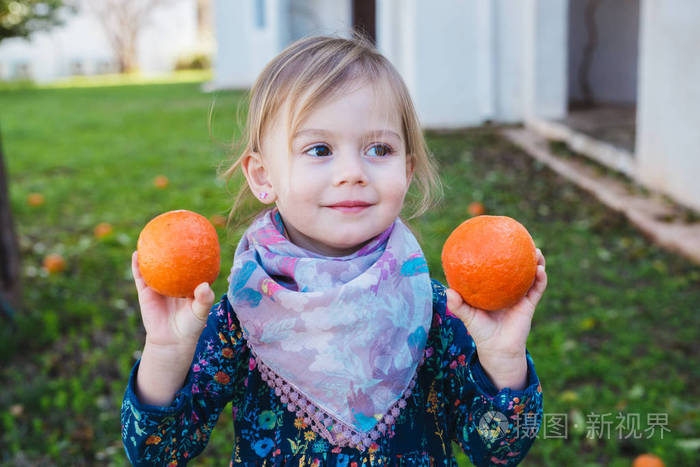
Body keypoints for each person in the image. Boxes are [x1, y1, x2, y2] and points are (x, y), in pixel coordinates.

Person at [121, 34, 547, 466]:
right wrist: (167, 352)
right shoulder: (242, 314)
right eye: (319, 149)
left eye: (379, 149)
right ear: (263, 176)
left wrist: (503, 356)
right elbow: (159, 453)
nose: (352, 172)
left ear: (407, 168)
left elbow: (496, 450)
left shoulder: (433, 309)